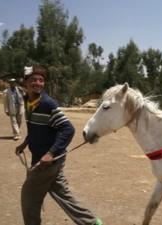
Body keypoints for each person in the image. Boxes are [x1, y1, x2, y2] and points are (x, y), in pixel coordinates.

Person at [15, 66, 102, 225]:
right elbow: (34, 127)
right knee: (63, 195)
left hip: (48, 161)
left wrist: (51, 153)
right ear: (25, 82)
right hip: (44, 159)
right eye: (33, 80)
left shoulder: (48, 104)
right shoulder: (28, 101)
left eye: (41, 80)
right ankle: (93, 223)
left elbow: (68, 129)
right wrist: (25, 142)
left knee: (29, 196)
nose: (38, 83)